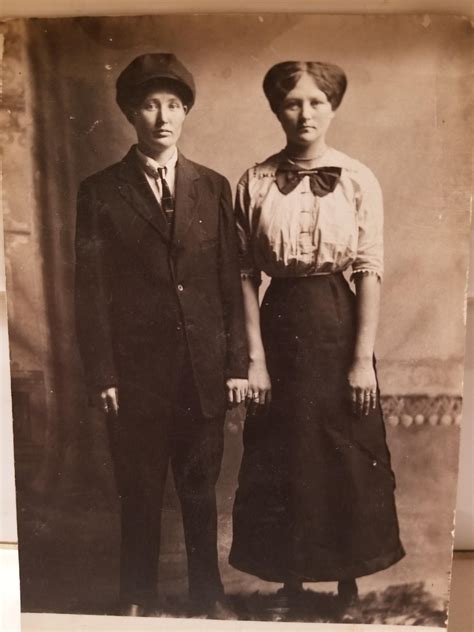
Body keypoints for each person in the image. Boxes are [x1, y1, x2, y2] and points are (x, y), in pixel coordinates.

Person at [74, 53, 248, 618]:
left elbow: (230, 282)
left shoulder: (213, 187)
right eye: (150, 105)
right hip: (136, 377)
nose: (164, 117)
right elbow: (90, 290)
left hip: (202, 370)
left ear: (186, 112)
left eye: (175, 105)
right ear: (130, 112)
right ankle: (135, 597)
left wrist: (237, 365)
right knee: (141, 492)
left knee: (200, 492)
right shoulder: (101, 192)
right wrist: (103, 374)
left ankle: (208, 595)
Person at [229, 61, 405, 618]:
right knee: (283, 450)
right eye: (292, 104)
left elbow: (370, 268)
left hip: (338, 320)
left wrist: (361, 362)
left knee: (342, 449)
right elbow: (242, 275)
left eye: (316, 102)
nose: (304, 114)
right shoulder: (254, 181)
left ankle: (348, 581)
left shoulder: (357, 177)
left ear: (332, 107)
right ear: (277, 110)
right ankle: (289, 581)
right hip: (279, 320)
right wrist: (255, 360)